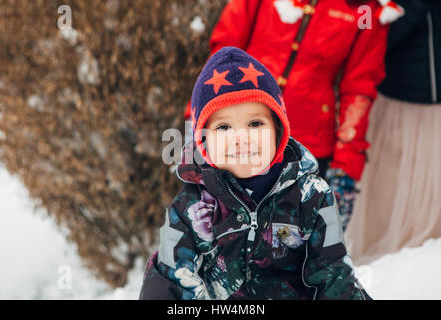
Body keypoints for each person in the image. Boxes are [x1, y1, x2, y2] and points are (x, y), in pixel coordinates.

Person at [140, 47, 370, 300]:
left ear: (278, 130)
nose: (241, 138)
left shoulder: (312, 197)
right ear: (203, 140)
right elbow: (168, 280)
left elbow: (333, 274)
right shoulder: (190, 208)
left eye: (255, 123)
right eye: (224, 126)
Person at [183, 0, 403, 230]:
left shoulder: (365, 10)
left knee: (292, 249)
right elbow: (221, 57)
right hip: (236, 136)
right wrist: (197, 123)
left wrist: (345, 170)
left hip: (306, 152)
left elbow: (359, 88)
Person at [344, 0, 441, 266]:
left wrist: (361, 38)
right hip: (389, 85)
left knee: (416, 175)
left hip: (420, 92)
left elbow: (403, 14)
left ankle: (408, 258)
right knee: (389, 174)